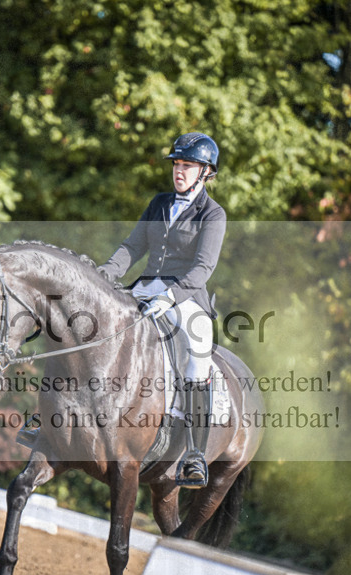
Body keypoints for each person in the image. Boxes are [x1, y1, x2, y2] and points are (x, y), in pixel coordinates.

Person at [97, 131, 226, 488]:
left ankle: (195, 455)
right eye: (176, 164)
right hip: (144, 286)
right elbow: (132, 246)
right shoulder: (158, 203)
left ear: (206, 172)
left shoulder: (213, 214)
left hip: (186, 297)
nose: (179, 171)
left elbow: (203, 268)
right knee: (95, 323)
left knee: (198, 354)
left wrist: (171, 297)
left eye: (187, 165)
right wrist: (101, 274)